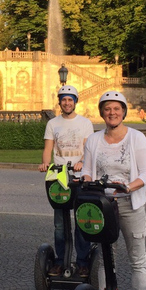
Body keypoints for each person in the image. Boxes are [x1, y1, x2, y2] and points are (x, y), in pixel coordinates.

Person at [81, 91, 146, 290]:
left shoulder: (136, 138)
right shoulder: (93, 139)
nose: (112, 113)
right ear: (102, 112)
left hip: (129, 204)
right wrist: (86, 182)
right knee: (105, 259)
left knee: (137, 260)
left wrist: (129, 187)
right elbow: (87, 171)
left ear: (123, 111)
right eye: (107, 109)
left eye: (116, 109)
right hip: (103, 205)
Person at [37, 85, 94, 278]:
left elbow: (88, 149)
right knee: (60, 224)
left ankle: (82, 262)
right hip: (59, 177)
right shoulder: (53, 123)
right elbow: (48, 149)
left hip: (78, 177)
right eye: (64, 99)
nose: (67, 103)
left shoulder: (85, 123)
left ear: (75, 102)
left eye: (70, 99)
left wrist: (82, 162)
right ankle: (60, 261)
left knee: (80, 221)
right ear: (60, 102)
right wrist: (45, 164)